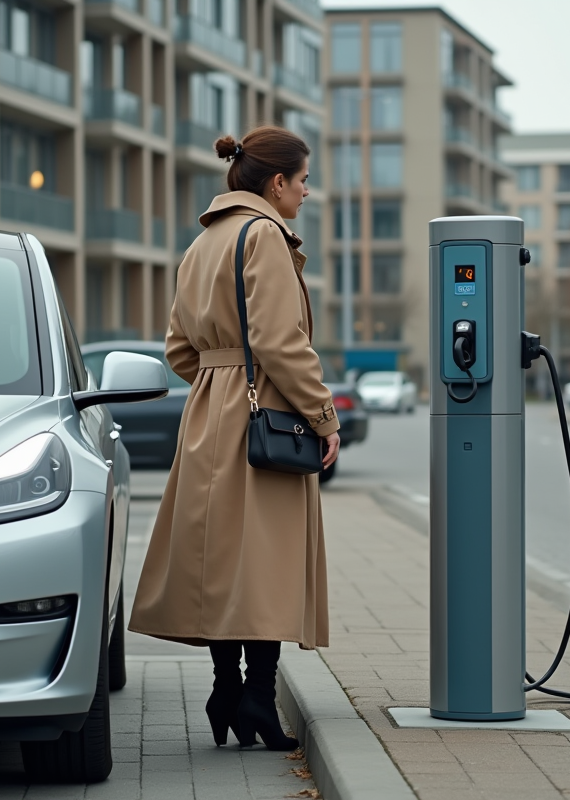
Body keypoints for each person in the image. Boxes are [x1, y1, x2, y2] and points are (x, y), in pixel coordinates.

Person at [128, 126, 340, 752]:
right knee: (264, 563)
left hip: (208, 418)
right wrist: (323, 416)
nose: (306, 191)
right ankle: (258, 697)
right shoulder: (266, 236)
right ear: (276, 182)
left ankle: (224, 689)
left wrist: (222, 376)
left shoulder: (201, 245)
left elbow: (177, 351)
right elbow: (280, 342)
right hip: (264, 413)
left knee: (218, 562)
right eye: (303, 180)